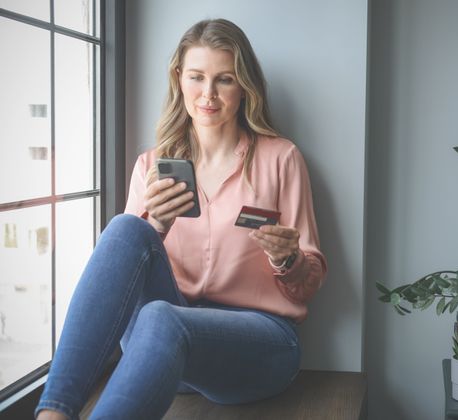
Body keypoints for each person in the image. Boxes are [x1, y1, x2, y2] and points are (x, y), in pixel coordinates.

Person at [35, 18, 326, 419]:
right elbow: (125, 277)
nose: (208, 94)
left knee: (163, 317)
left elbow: (306, 287)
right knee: (128, 229)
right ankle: (53, 412)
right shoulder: (151, 166)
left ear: (243, 87)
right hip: (164, 343)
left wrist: (287, 259)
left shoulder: (281, 159)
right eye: (197, 77)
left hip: (258, 345)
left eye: (224, 80)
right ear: (179, 79)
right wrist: (157, 226)